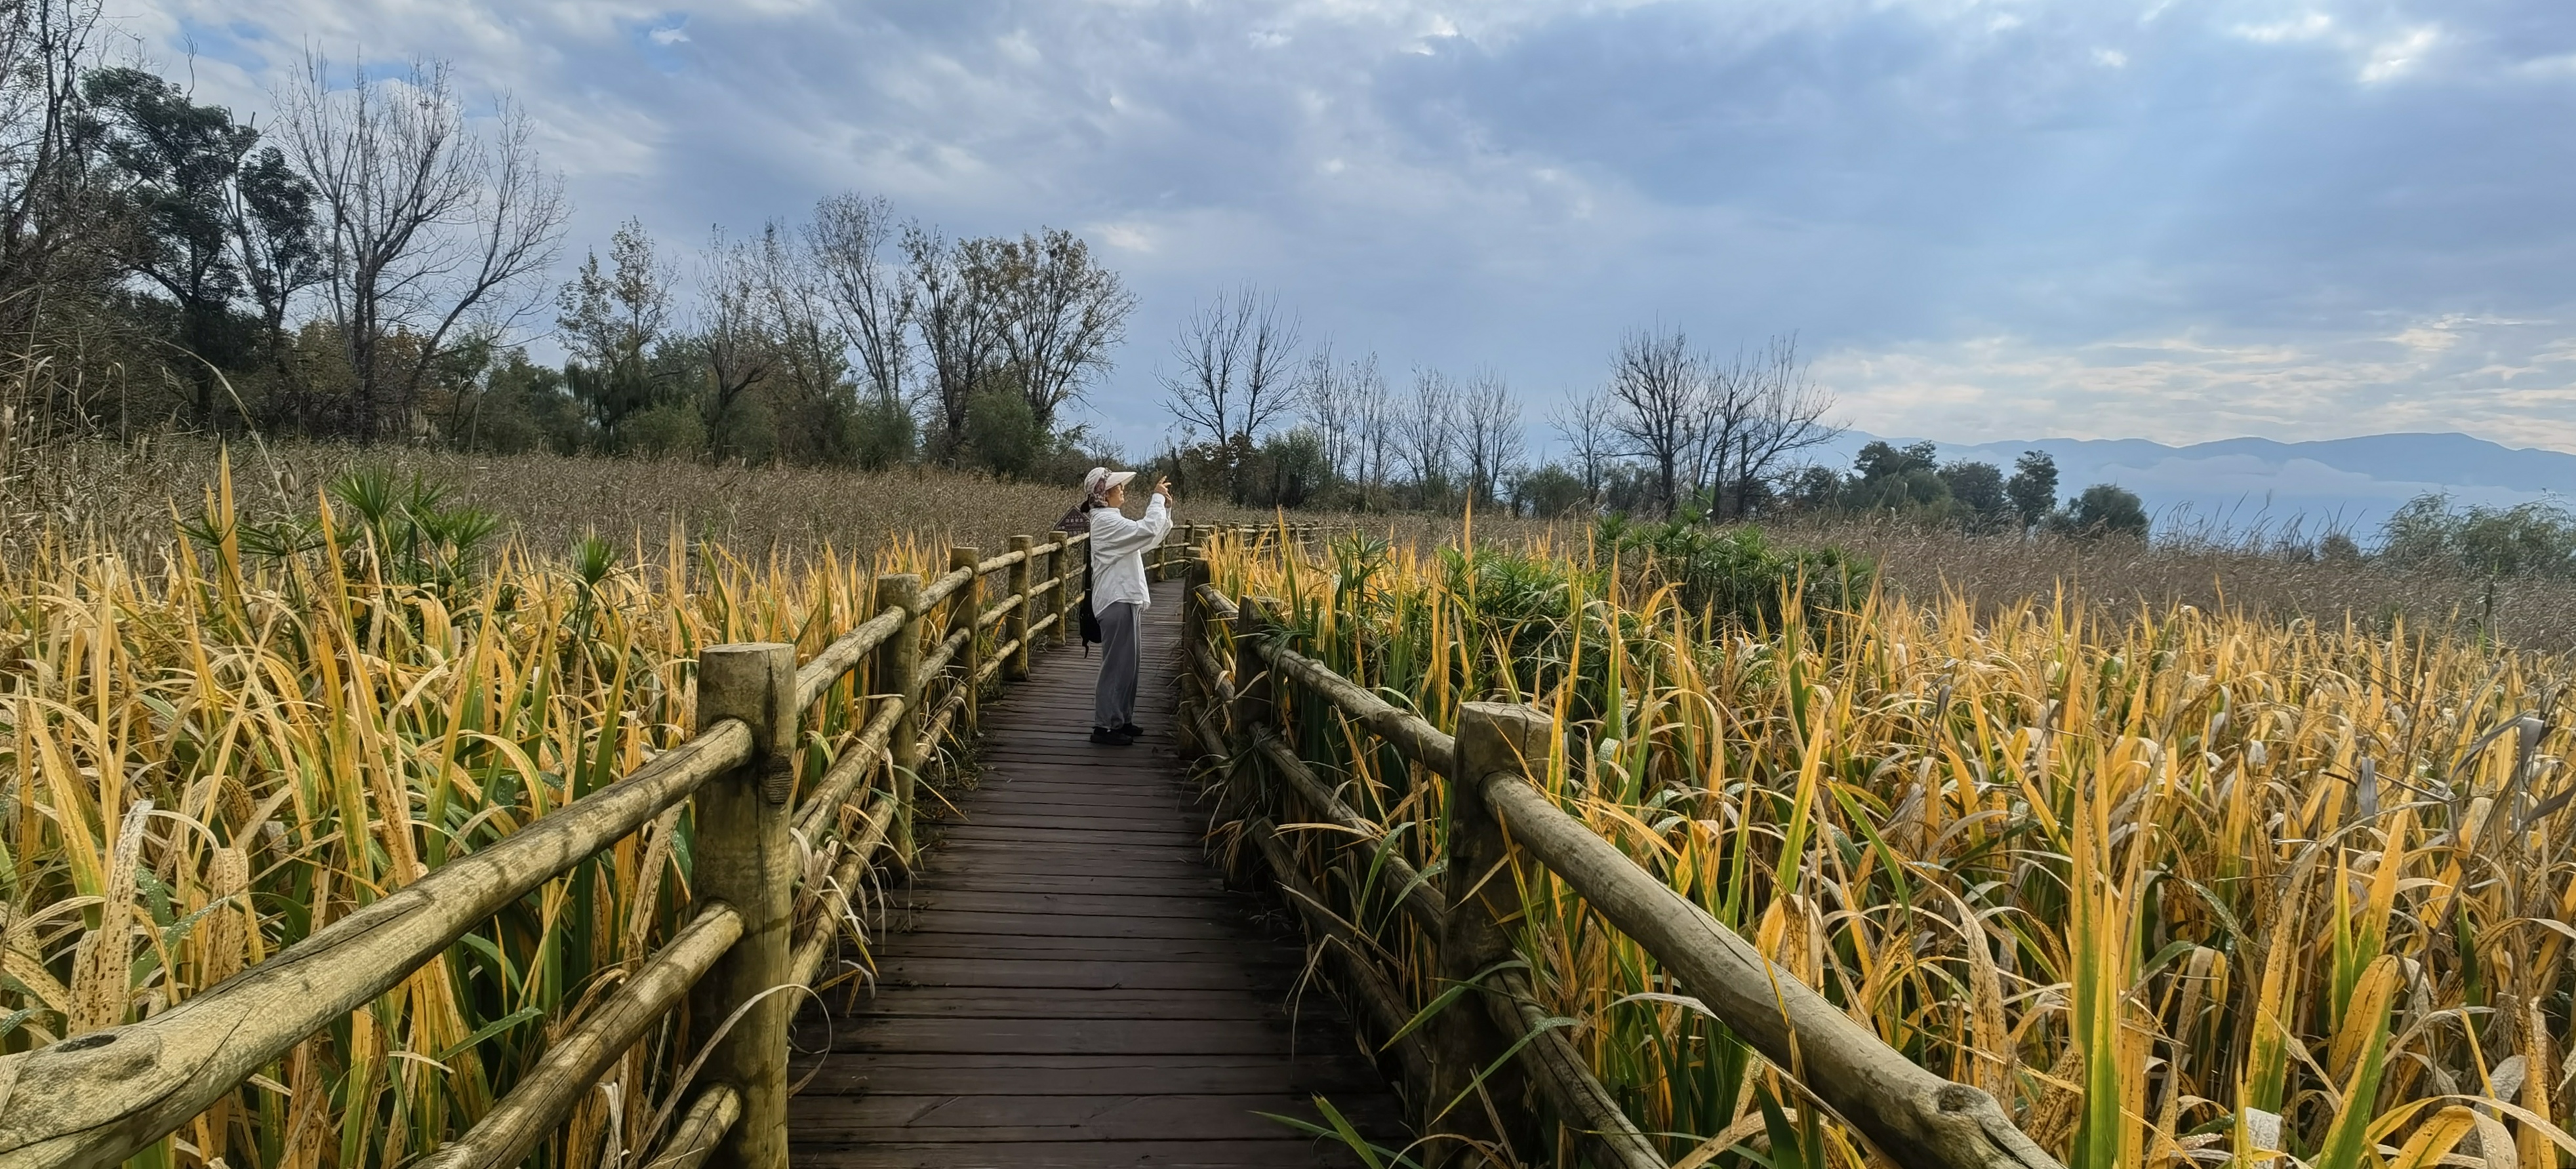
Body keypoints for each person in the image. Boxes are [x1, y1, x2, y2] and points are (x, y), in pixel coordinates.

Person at [1079, 466, 1173, 745]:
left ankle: (1121, 720)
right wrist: (1156, 500)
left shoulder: (1111, 520)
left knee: (1129, 665)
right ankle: (1105, 726)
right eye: (1118, 487)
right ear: (1105, 494)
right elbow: (1146, 530)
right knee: (1117, 665)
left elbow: (1146, 538)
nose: (1123, 490)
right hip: (1116, 600)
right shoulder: (1106, 522)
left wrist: (1164, 511)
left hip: (1124, 598)